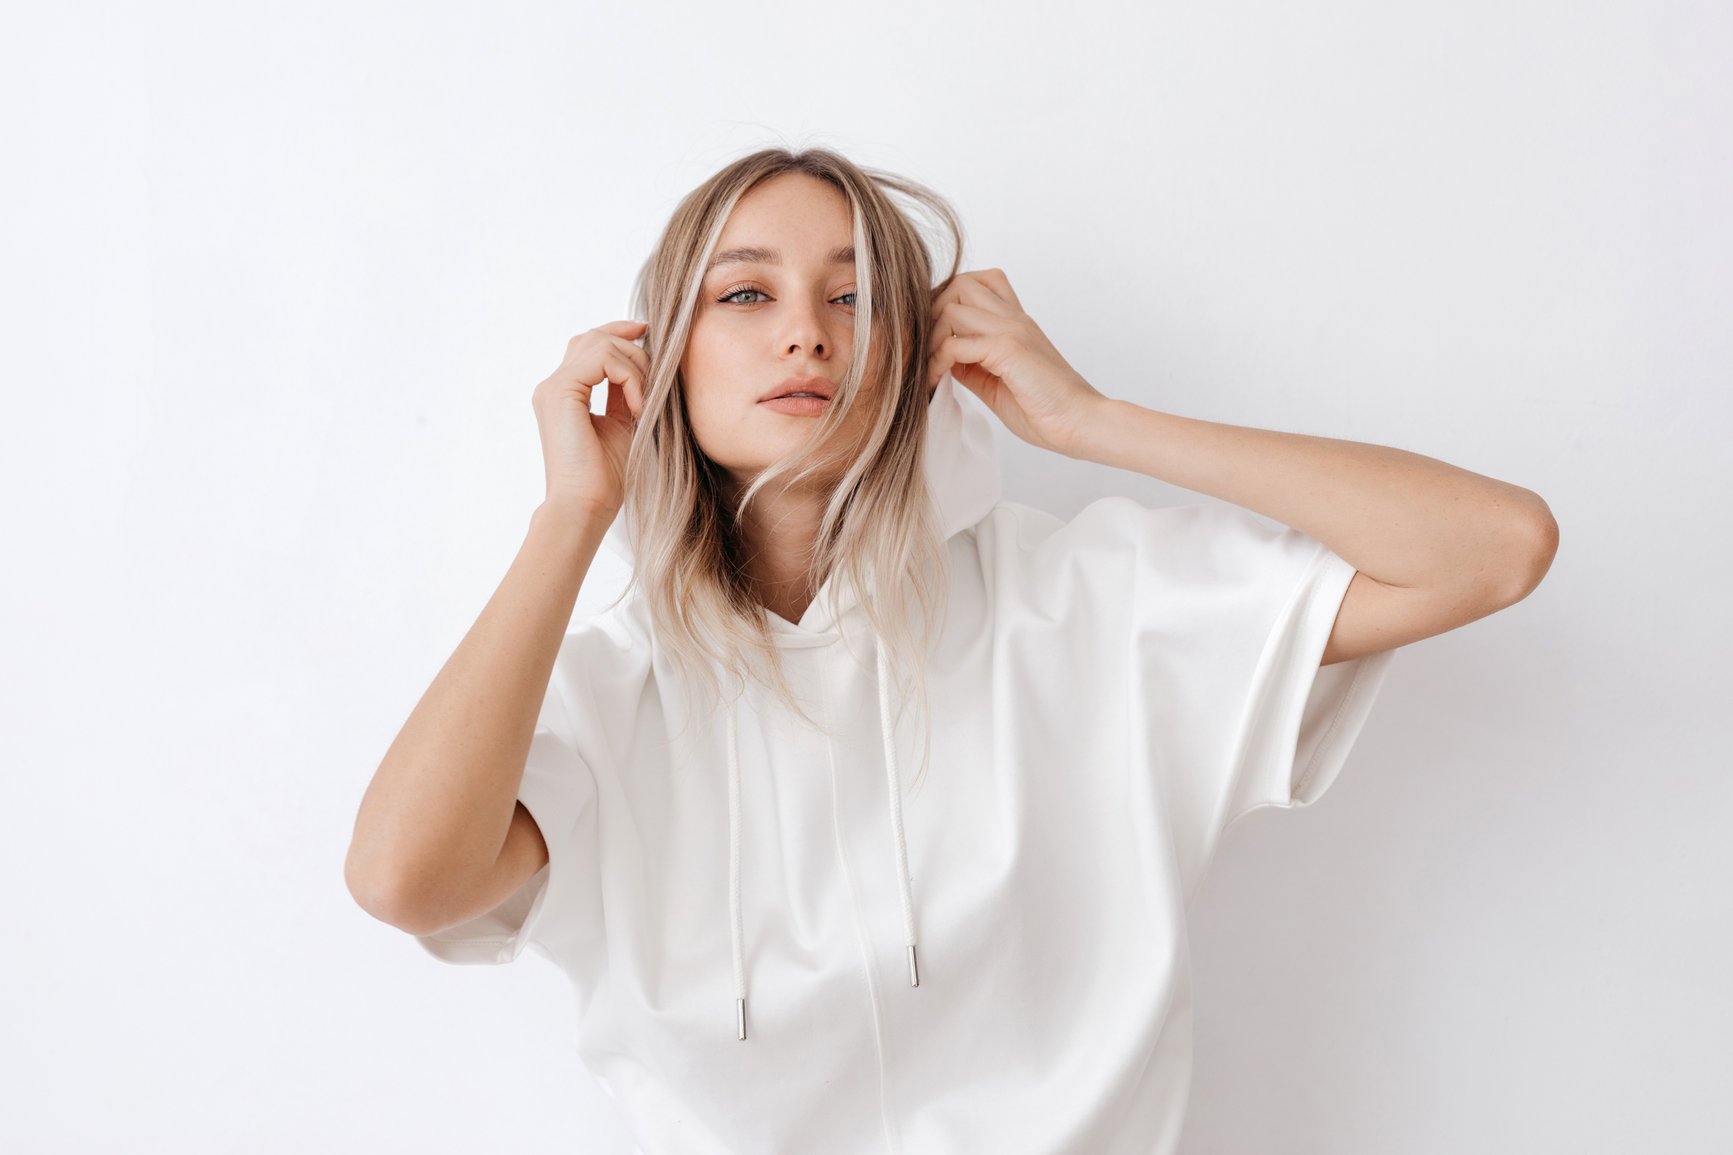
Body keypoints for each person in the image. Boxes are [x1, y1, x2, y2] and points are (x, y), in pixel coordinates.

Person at [345, 147, 1557, 1153]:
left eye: (855, 295)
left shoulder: (1088, 603)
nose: (807, 338)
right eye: (746, 295)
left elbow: (1493, 548)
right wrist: (571, 517)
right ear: (661, 355)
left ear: (915, 356)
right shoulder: (607, 687)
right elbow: (407, 882)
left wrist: (1089, 421)